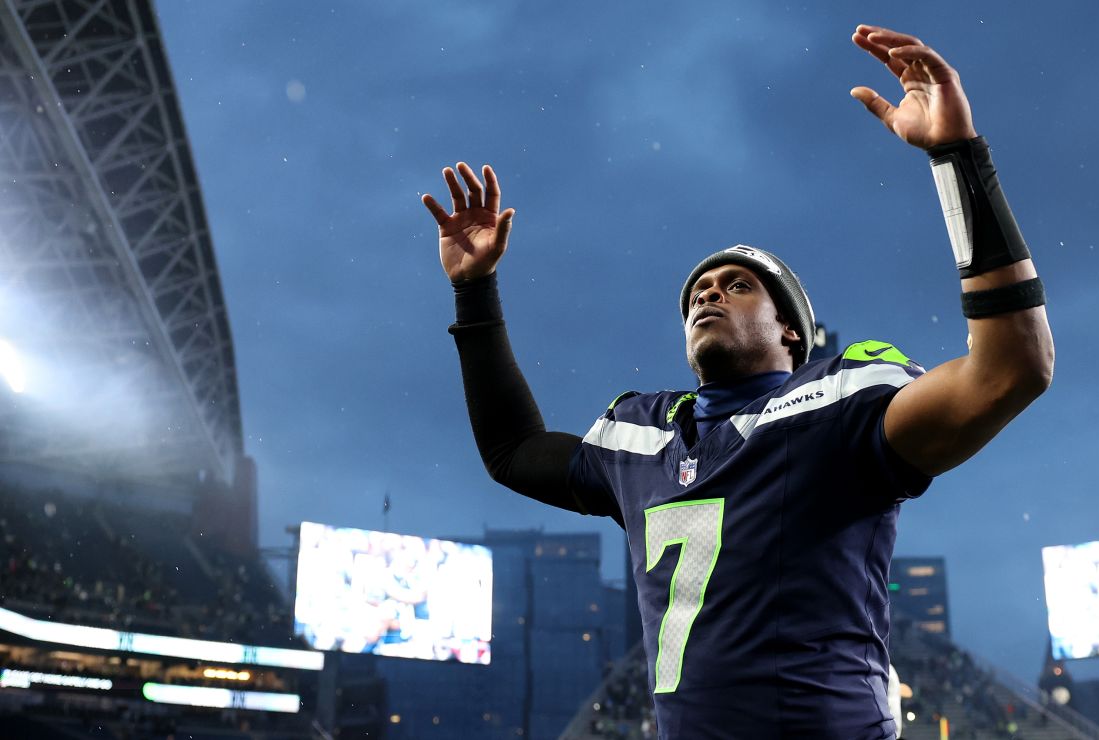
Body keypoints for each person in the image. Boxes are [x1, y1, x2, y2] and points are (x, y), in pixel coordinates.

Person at [420, 24, 1053, 740]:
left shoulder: (841, 404)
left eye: (738, 285)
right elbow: (513, 449)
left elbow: (1011, 370)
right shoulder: (642, 435)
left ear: (792, 331)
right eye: (699, 291)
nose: (708, 295)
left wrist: (956, 156)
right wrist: (475, 292)